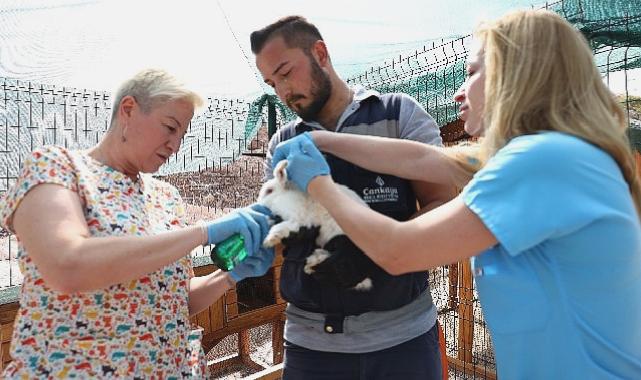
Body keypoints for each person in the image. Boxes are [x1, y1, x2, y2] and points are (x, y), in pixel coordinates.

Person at [271, 9, 641, 379]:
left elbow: (399, 252)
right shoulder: (559, 153)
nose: (458, 92)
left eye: (473, 72)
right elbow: (423, 158)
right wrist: (321, 140)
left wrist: (319, 182)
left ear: (518, 75)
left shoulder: (539, 162)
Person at [0, 69, 275, 378]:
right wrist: (203, 232)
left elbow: (175, 299)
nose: (175, 145)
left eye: (182, 136)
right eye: (169, 127)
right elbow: (68, 266)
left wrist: (229, 276)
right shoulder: (57, 168)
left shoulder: (165, 196)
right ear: (128, 110)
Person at [250, 16, 454, 380]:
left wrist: (376, 253)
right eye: (271, 82)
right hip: (312, 346)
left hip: (403, 337)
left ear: (320, 53)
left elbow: (445, 206)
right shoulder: (282, 143)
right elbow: (274, 223)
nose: (282, 92)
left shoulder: (398, 115)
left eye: (285, 72)